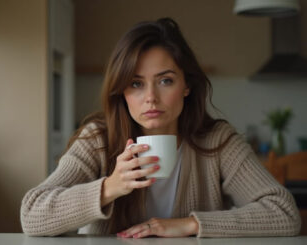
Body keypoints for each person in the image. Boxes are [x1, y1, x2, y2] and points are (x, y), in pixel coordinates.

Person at [20, 17, 301, 238]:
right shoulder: (98, 139)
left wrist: (190, 225)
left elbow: (285, 213)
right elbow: (32, 215)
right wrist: (110, 187)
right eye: (136, 83)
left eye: (165, 80)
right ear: (122, 91)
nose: (151, 97)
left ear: (187, 85)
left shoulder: (218, 141)